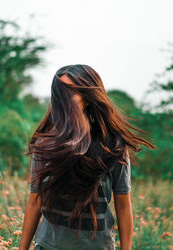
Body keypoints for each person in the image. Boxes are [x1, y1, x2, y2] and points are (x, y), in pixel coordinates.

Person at [19, 64, 156, 250]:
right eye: (61, 91)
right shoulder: (46, 145)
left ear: (88, 96)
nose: (65, 97)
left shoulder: (113, 148)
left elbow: (123, 206)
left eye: (72, 91)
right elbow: (34, 203)